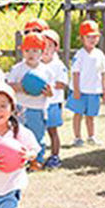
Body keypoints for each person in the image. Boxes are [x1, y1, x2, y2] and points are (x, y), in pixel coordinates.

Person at [6, 32, 54, 170]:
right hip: (19, 108)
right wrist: (20, 87)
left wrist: (48, 92)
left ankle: (36, 161)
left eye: (35, 50)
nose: (31, 54)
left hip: (37, 109)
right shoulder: (17, 69)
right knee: (17, 134)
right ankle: (17, 159)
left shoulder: (46, 71)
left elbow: (51, 92)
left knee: (36, 135)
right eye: (27, 50)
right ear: (22, 51)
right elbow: (8, 86)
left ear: (42, 52)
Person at [66, 20, 105, 146]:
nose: (92, 39)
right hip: (81, 91)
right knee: (78, 114)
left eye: (94, 36)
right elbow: (75, 73)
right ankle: (77, 137)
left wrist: (104, 88)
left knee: (91, 116)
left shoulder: (100, 54)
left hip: (94, 91)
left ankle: (91, 136)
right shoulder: (80, 55)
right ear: (82, 38)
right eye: (88, 37)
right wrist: (77, 90)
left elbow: (103, 72)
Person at [41, 29, 68, 168]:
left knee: (53, 131)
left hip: (53, 103)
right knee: (37, 130)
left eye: (49, 46)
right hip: (38, 104)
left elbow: (62, 84)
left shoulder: (58, 65)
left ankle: (55, 156)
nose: (45, 49)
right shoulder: (36, 63)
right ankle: (37, 157)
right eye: (43, 46)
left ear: (56, 48)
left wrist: (46, 85)